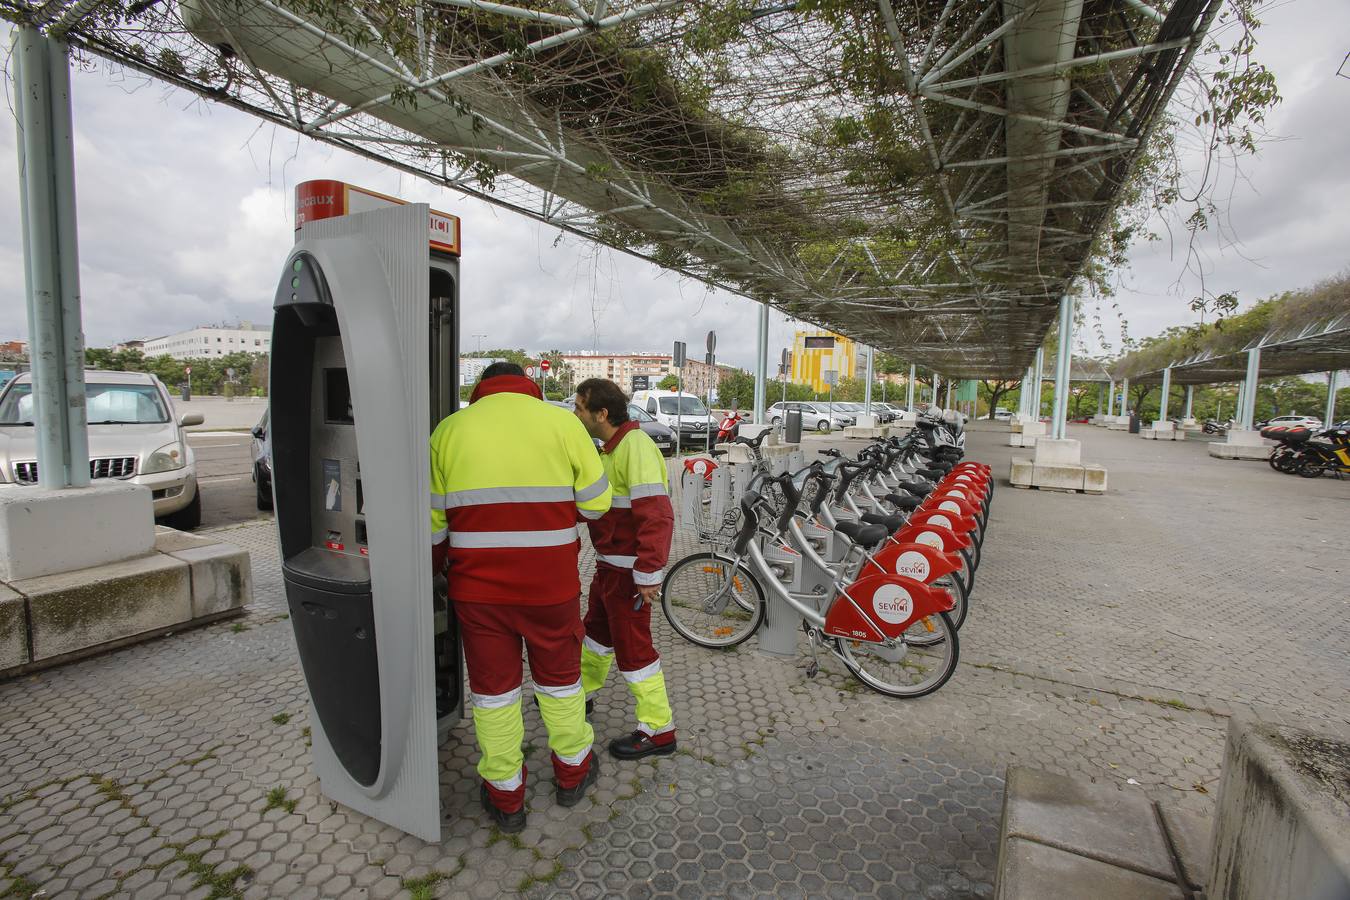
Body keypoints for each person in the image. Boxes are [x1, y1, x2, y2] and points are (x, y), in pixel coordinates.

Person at [430, 362, 611, 833]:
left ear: (480, 389)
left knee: (494, 694)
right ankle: (572, 775)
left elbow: (433, 527)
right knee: (560, 683)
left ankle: (506, 797)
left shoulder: (448, 431)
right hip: (550, 590)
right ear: (529, 387)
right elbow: (597, 503)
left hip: (478, 595)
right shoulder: (562, 423)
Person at [572, 377, 677, 760]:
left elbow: (657, 516)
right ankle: (580, 694)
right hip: (610, 570)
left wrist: (648, 575)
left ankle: (659, 730)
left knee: (635, 652)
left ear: (602, 413)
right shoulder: (611, 449)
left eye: (580, 407)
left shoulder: (635, 447)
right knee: (597, 635)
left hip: (629, 575)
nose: (575, 413)